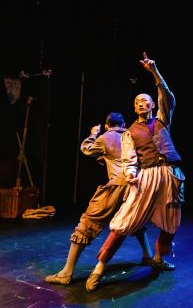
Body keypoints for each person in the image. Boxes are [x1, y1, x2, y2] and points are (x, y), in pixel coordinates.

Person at [85, 53, 185, 292]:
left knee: (171, 221)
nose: (141, 103)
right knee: (125, 220)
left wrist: (154, 71)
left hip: (169, 173)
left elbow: (167, 96)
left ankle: (158, 258)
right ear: (134, 107)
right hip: (147, 175)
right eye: (137, 101)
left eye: (145, 100)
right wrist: (131, 173)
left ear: (153, 105)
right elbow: (129, 159)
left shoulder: (162, 120)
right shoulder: (129, 132)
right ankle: (99, 267)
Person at [43, 113, 153, 285]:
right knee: (133, 221)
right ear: (123, 124)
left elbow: (87, 149)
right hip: (136, 186)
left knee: (87, 223)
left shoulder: (106, 137)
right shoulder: (132, 135)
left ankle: (66, 273)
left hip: (117, 186)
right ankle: (148, 255)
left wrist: (93, 134)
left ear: (107, 126)